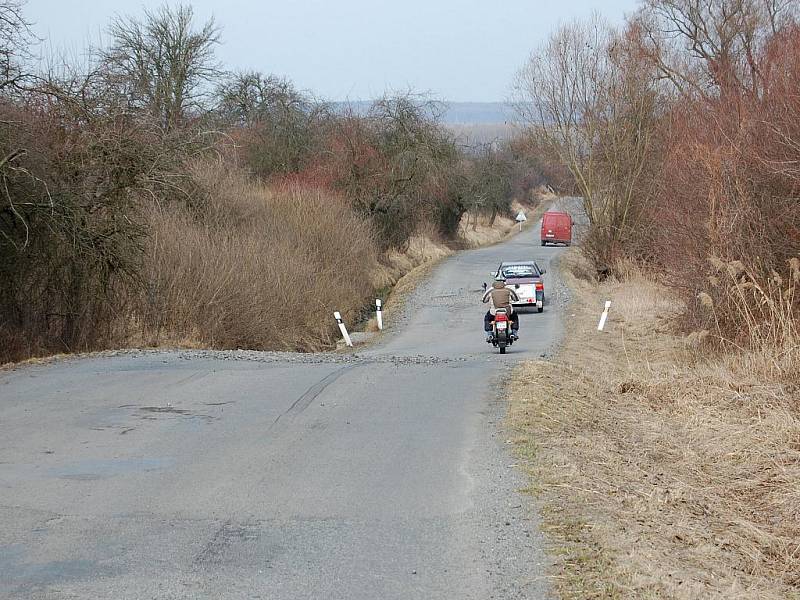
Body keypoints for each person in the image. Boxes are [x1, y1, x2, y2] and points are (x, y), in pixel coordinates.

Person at [482, 275, 520, 340]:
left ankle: (489, 334)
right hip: (508, 312)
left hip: (494, 312)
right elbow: (516, 298)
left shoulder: (490, 290)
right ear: (504, 281)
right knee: (514, 317)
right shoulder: (509, 289)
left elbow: (484, 300)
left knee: (487, 319)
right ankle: (514, 333)